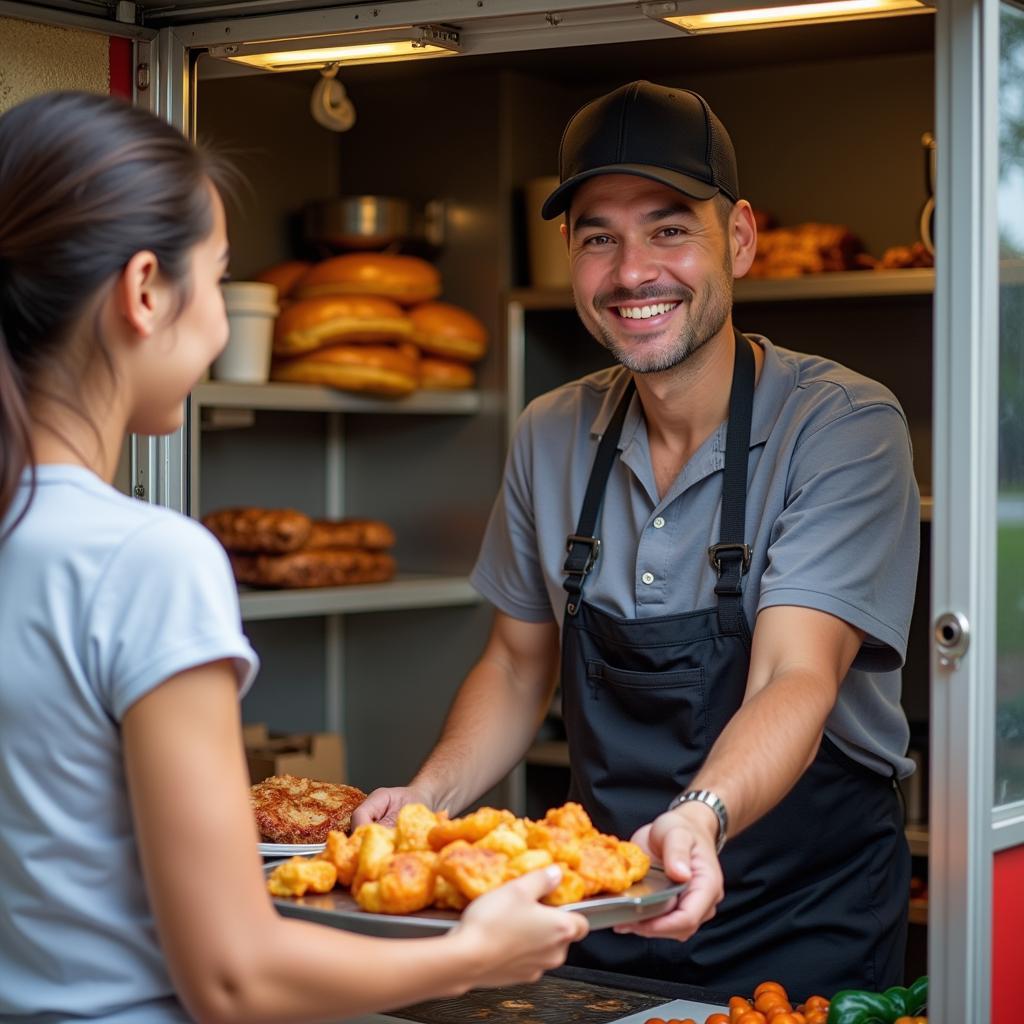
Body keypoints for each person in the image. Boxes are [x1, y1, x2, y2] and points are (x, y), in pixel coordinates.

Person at [0, 90, 587, 1024]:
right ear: (146, 290)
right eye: (222, 281)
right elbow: (235, 977)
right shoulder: (149, 561)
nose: (226, 331)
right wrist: (471, 956)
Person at [355, 80, 920, 999]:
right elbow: (513, 665)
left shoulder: (843, 423)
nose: (631, 272)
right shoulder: (548, 431)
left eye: (668, 229)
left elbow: (795, 675)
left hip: (803, 923)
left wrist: (699, 815)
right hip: (603, 907)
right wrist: (428, 800)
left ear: (737, 238)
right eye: (597, 237)